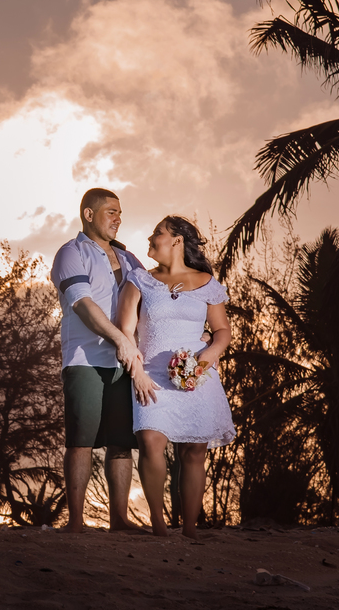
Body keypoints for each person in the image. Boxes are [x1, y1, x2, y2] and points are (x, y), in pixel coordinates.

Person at [118, 215, 235, 538]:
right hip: (151, 373)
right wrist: (136, 371)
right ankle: (158, 525)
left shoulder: (207, 282)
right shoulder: (139, 280)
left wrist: (206, 358)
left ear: (177, 241)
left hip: (197, 375)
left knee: (194, 451)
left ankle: (190, 528)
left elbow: (222, 331)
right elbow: (125, 331)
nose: (150, 238)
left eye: (158, 233)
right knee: (151, 440)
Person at [49, 188, 146, 532]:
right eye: (110, 212)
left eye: (121, 213)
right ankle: (76, 523)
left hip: (125, 363)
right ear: (89, 215)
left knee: (122, 443)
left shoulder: (132, 259)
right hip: (84, 358)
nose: (118, 219)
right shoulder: (70, 253)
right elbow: (82, 303)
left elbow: (151, 303)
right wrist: (121, 339)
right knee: (82, 441)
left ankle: (119, 520)